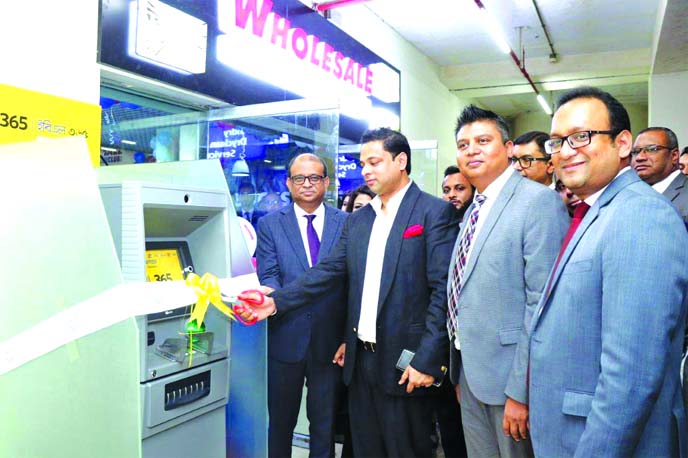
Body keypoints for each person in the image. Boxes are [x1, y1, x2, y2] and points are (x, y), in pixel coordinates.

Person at [240, 127, 460, 457]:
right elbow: (328, 273)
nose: (366, 170)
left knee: (406, 447)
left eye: (374, 162)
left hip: (405, 361)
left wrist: (428, 359)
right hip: (361, 362)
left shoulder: (432, 212)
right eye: (362, 164)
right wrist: (274, 302)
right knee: (365, 447)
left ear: (401, 161)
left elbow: (442, 292)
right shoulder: (360, 221)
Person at [528, 86, 688, 457]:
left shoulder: (640, 216)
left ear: (622, 144)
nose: (566, 151)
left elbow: (630, 377)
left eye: (581, 136)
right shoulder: (596, 210)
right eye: (556, 141)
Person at [448, 105, 569, 458]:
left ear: (509, 147)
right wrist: (460, 372)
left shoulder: (538, 203)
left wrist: (522, 390)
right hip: (471, 373)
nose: (471, 150)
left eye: (483, 140)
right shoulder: (474, 208)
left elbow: (543, 305)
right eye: (463, 144)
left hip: (511, 382)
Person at [255, 153, 348, 458]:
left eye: (314, 178)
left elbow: (352, 282)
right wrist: (275, 298)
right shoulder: (270, 225)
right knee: (280, 424)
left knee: (324, 425)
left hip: (330, 342)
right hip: (286, 336)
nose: (307, 184)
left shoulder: (346, 223)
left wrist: (348, 335)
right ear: (288, 183)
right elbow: (268, 274)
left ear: (326, 182)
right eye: (299, 178)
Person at [631, 126, 688, 223]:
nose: (639, 157)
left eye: (652, 149)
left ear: (674, 156)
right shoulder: (630, 194)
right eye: (635, 152)